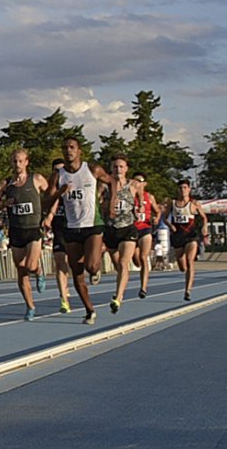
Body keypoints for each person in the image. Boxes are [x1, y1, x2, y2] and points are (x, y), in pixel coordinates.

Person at [47, 138, 112, 325]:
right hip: (72, 227)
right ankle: (89, 310)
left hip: (92, 224)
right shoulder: (58, 175)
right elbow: (46, 201)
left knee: (90, 266)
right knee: (76, 273)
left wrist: (112, 201)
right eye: (65, 148)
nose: (68, 151)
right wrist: (60, 192)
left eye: (72, 147)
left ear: (79, 151)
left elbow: (112, 181)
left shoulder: (92, 170)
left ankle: (96, 265)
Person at [0, 149, 49, 322]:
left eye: (20, 161)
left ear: (26, 162)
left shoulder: (36, 179)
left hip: (33, 228)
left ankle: (39, 271)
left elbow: (51, 196)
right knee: (21, 270)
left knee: (30, 265)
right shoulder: (6, 184)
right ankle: (30, 306)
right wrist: (4, 203)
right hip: (16, 230)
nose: (17, 165)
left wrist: (50, 214)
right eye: (14, 161)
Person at [101, 156, 144, 315]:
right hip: (111, 228)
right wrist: (103, 205)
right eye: (115, 167)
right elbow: (97, 201)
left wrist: (140, 209)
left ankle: (118, 298)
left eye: (121, 167)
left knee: (124, 263)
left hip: (128, 228)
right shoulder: (104, 185)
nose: (118, 170)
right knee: (118, 264)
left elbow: (140, 200)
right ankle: (119, 290)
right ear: (111, 169)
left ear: (126, 169)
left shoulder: (134, 185)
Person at [168, 179, 207, 301]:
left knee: (190, 260)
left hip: (191, 236)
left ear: (189, 189)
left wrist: (204, 227)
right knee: (182, 265)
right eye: (180, 188)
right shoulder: (172, 203)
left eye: (185, 187)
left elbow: (204, 217)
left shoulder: (194, 204)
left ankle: (188, 290)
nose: (183, 190)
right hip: (178, 236)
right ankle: (185, 271)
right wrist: (171, 226)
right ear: (177, 190)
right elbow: (164, 218)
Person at [43, 158, 73, 313]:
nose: (59, 173)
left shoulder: (74, 183)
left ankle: (93, 270)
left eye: (61, 170)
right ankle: (64, 299)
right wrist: (48, 216)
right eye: (56, 170)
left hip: (75, 227)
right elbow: (46, 202)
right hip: (59, 228)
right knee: (60, 262)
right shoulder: (50, 188)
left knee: (76, 263)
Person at [131, 171, 160, 298]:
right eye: (135, 180)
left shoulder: (150, 197)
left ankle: (143, 288)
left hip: (145, 229)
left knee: (143, 257)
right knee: (136, 260)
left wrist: (156, 219)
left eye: (140, 181)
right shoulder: (130, 197)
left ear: (145, 183)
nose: (137, 183)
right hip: (132, 230)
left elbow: (157, 212)